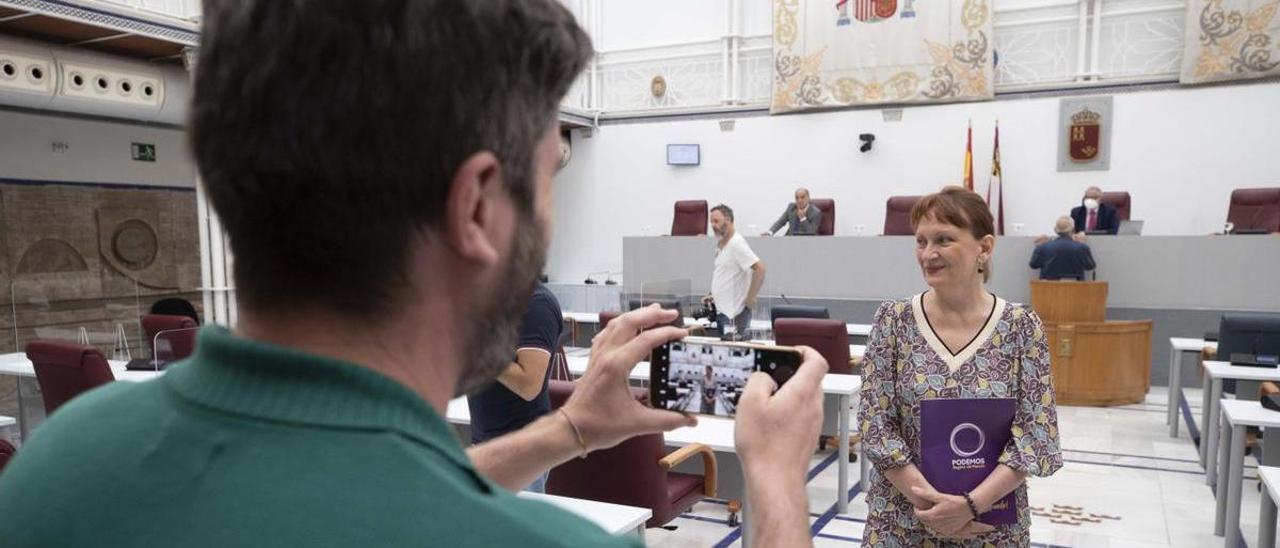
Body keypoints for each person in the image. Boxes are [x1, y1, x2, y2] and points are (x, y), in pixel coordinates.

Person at [0, 2, 829, 547]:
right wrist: (775, 482)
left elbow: (343, 509)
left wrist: (569, 430)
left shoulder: (60, 463)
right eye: (545, 183)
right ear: (475, 208)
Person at [858, 186, 1062, 546]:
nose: (928, 254)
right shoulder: (894, 321)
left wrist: (969, 506)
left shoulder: (1021, 327)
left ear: (984, 247)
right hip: (903, 523)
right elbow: (876, 426)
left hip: (991, 527)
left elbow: (1034, 434)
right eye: (920, 241)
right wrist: (936, 509)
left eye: (943, 239)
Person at [467, 281, 562, 492]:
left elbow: (529, 384)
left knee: (518, 524)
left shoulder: (537, 304)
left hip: (523, 451)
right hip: (485, 440)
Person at [705, 204, 766, 338]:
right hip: (723, 312)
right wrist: (712, 294)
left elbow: (760, 268)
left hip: (735, 315)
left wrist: (750, 298)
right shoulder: (721, 244)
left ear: (728, 220)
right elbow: (725, 273)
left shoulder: (737, 244)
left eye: (716, 221)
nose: (713, 225)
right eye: (711, 222)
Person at [1029, 216, 1096, 280]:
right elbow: (1090, 266)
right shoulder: (1082, 247)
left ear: (1055, 230)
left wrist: (1038, 247)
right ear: (1073, 229)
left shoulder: (1043, 247)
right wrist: (1082, 244)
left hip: (1048, 289)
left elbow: (1033, 265)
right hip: (1075, 289)